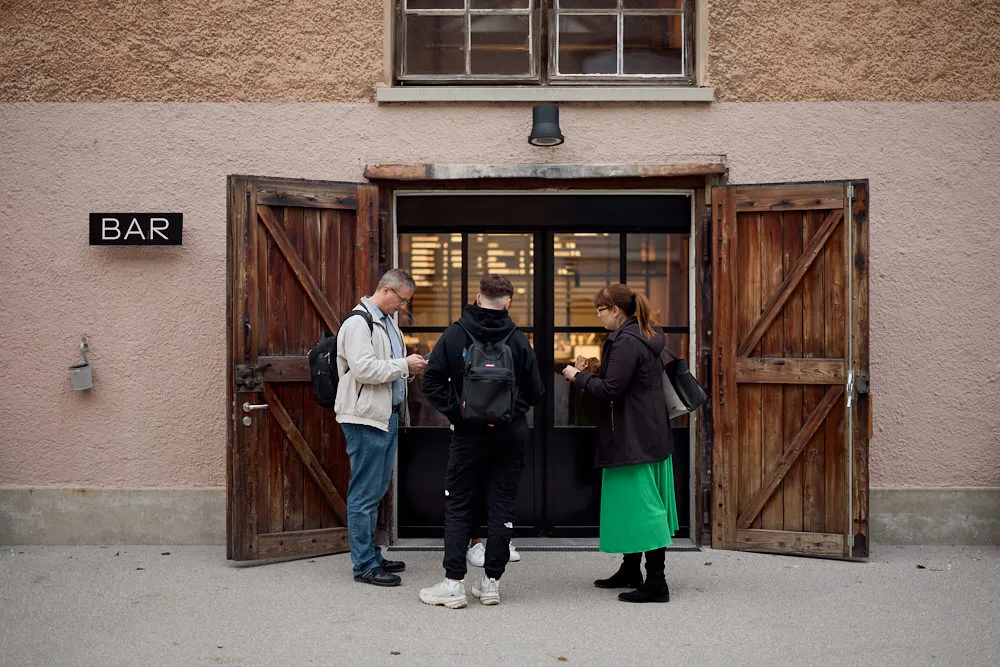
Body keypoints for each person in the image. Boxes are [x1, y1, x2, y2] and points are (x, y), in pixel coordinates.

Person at [419, 275, 544, 608]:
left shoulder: (455, 333)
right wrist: (509, 412)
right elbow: (536, 390)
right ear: (508, 302)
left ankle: (453, 585)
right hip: (510, 433)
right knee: (502, 505)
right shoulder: (518, 340)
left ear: (477, 298)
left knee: (459, 505)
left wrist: (461, 412)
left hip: (468, 435)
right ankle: (491, 584)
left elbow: (431, 383)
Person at [560, 284, 679, 603]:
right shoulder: (645, 333)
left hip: (632, 436)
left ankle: (656, 582)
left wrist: (577, 376)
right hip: (648, 430)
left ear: (615, 310)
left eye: (600, 310)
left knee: (645, 509)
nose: (598, 316)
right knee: (632, 506)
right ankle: (630, 569)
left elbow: (612, 389)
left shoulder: (625, 341)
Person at [336, 268, 428, 587]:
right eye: (401, 300)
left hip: (385, 416)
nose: (402, 307)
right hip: (365, 418)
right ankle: (364, 564)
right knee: (364, 493)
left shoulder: (387, 323)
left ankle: (372, 555)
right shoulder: (358, 322)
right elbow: (363, 369)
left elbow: (387, 368)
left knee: (375, 491)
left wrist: (409, 369)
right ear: (386, 290)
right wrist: (404, 365)